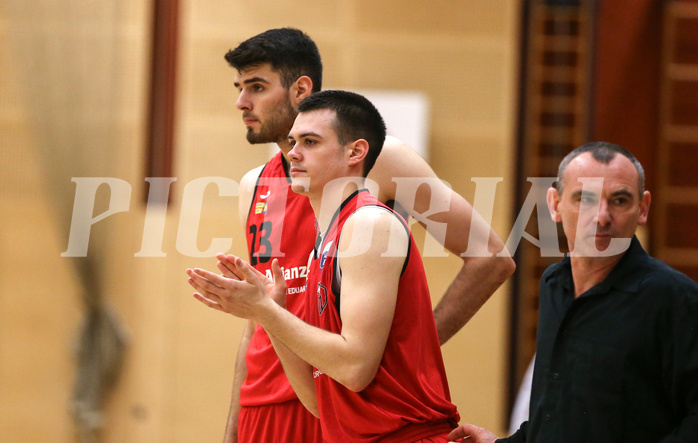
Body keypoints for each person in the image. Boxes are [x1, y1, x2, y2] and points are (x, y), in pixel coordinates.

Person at [220, 28, 515, 442]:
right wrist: (232, 429)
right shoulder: (255, 184)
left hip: (343, 398)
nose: (241, 102)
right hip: (267, 404)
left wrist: (402, 357)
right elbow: (259, 316)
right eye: (239, 88)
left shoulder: (384, 159)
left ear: (300, 89)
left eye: (256, 87)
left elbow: (491, 257)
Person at [188, 89, 461, 442]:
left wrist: (268, 314)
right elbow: (320, 402)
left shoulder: (368, 225)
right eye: (291, 141)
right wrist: (271, 313)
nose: (293, 153)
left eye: (310, 142)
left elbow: (354, 368)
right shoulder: (326, 242)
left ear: (355, 152)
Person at [447, 142, 698, 443]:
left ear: (643, 208)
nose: (602, 217)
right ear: (555, 204)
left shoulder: (675, 297)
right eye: (585, 199)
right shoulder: (554, 284)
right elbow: (556, 417)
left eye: (619, 200)